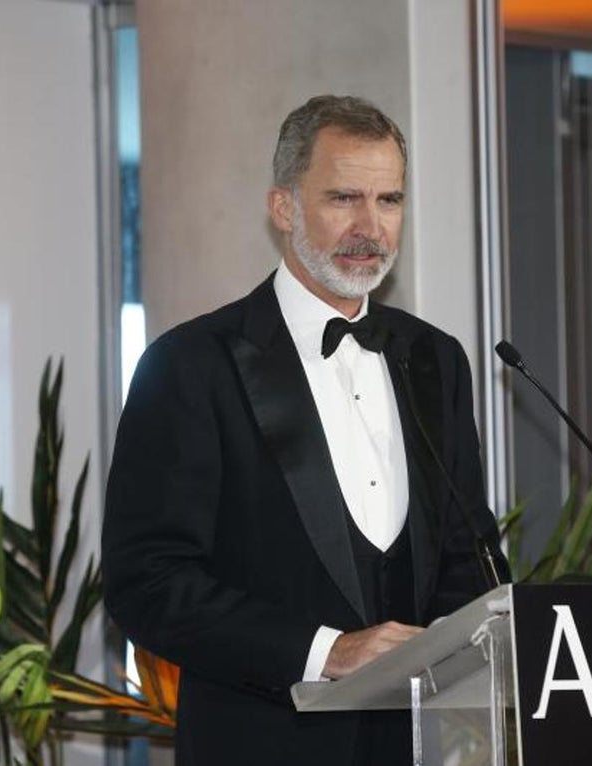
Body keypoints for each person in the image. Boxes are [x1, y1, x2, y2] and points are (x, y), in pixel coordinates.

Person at [102, 95, 510, 766]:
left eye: (389, 200)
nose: (370, 228)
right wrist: (328, 651)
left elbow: (470, 554)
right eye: (344, 198)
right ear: (284, 207)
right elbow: (146, 582)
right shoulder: (190, 364)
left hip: (423, 750)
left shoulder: (436, 358)